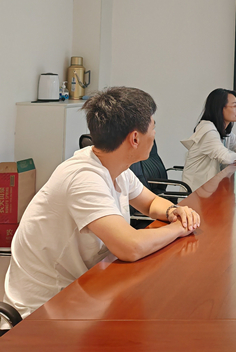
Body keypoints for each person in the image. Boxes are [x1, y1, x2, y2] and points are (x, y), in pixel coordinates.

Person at [2, 87, 201, 324]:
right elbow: (130, 246)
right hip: (45, 312)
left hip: (83, 290)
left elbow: (150, 203)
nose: (155, 134)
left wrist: (173, 211)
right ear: (135, 138)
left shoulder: (114, 165)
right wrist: (179, 228)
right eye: (153, 127)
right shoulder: (84, 178)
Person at [181, 89, 236, 191]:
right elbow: (227, 158)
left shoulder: (223, 131)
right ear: (220, 108)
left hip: (211, 190)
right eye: (234, 106)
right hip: (196, 194)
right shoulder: (207, 130)